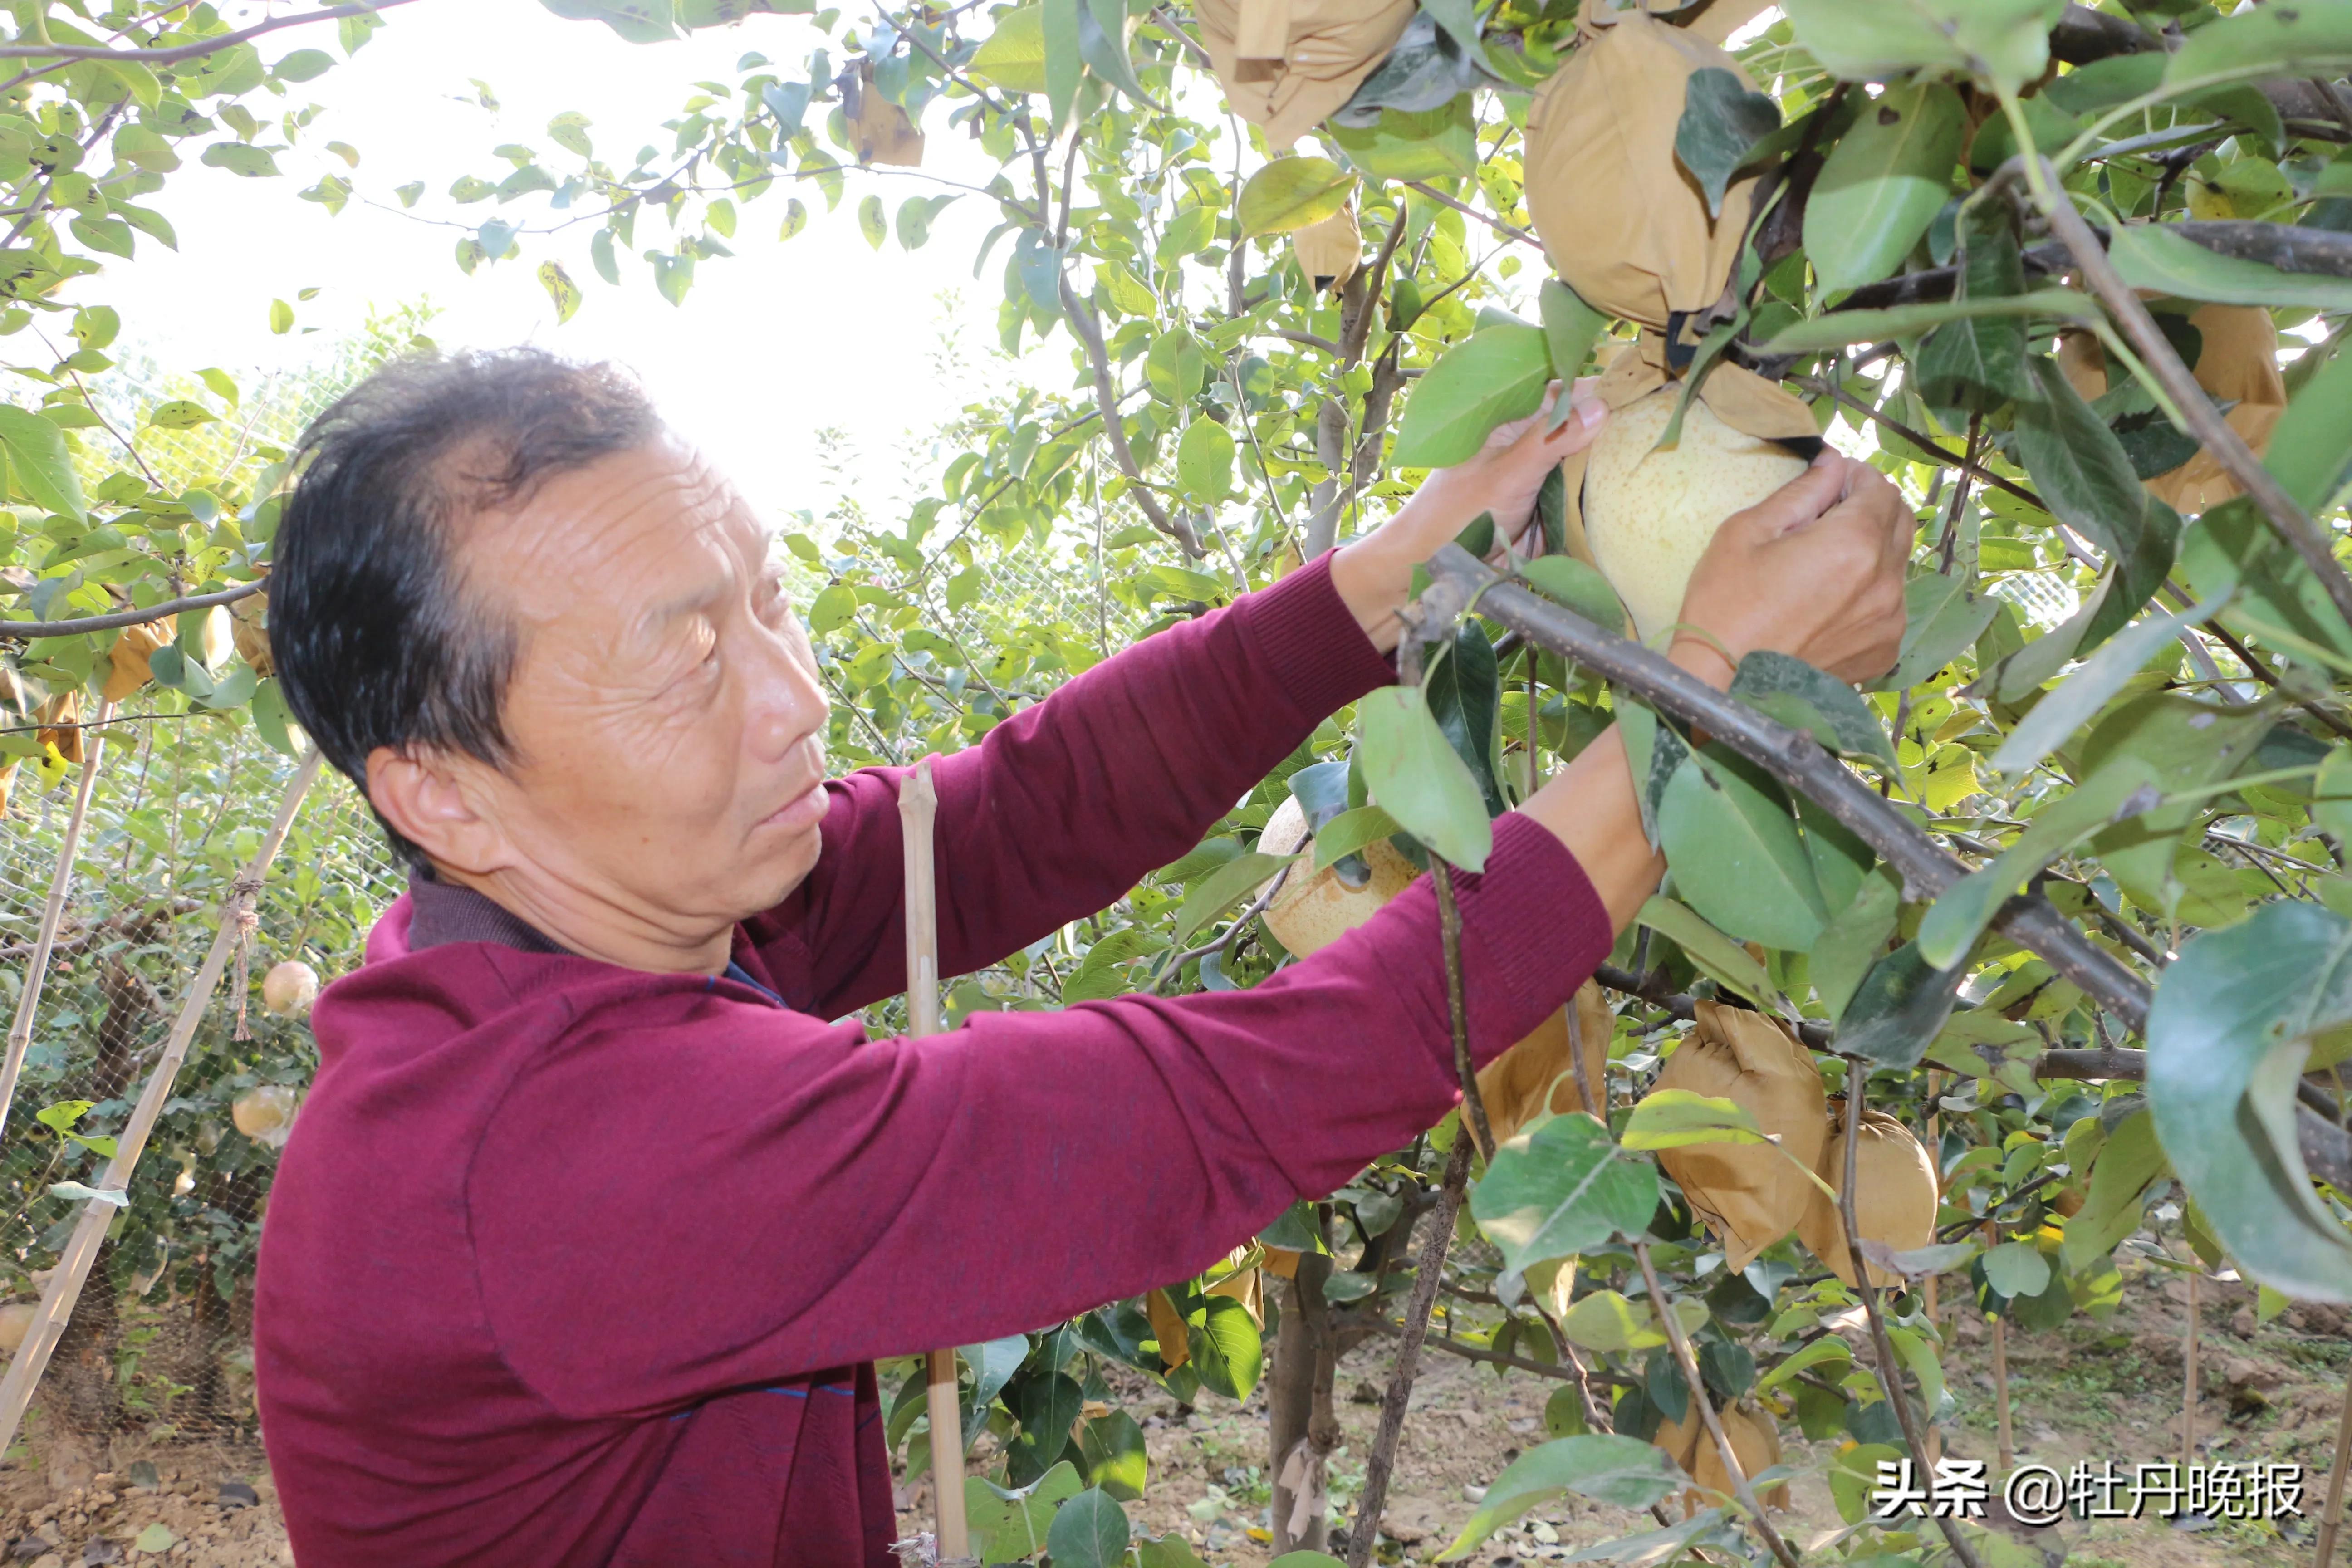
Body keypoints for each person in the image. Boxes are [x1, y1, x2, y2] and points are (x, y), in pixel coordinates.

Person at [252, 348, 1910, 1566]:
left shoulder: (578, 921)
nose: (795, 700)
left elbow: (1012, 815)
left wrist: (1387, 583)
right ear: (443, 794)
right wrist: (1710, 690)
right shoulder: (542, 1160)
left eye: (768, 602)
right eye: (688, 663)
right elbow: (1229, 1102)